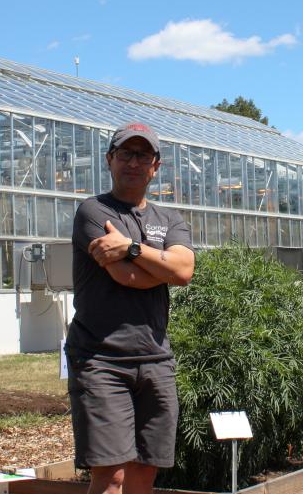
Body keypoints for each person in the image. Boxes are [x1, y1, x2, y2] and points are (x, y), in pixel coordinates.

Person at [65, 122, 195, 494]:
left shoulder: (170, 219)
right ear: (110, 160)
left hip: (155, 360)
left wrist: (133, 248)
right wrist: (161, 265)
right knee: (110, 476)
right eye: (125, 154)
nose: (133, 163)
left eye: (143, 156)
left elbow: (184, 270)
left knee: (144, 472)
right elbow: (126, 277)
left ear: (156, 166)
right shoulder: (93, 211)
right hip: (101, 359)